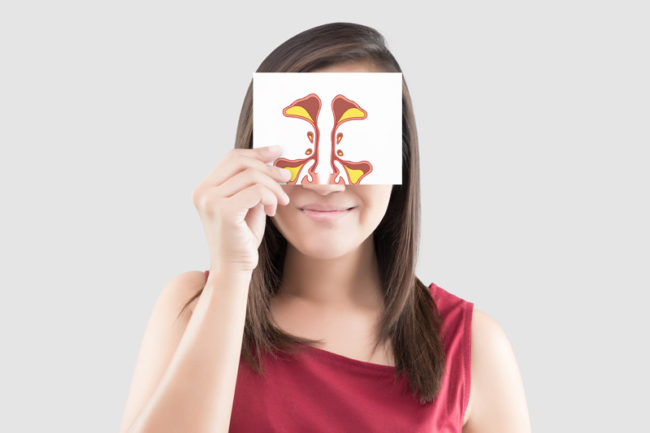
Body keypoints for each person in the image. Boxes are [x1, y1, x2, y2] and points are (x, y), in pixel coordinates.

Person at [118, 22, 532, 433]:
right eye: (298, 145)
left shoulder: (475, 347)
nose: (324, 181)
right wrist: (232, 272)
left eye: (357, 142)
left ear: (400, 161)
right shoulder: (191, 307)